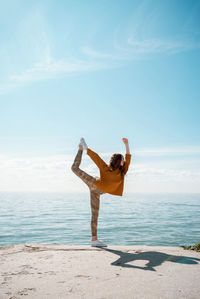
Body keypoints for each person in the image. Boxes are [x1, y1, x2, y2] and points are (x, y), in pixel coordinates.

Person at [71, 137, 131, 247]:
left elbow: (128, 157)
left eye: (123, 159)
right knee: (74, 168)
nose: (124, 161)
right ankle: (80, 148)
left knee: (95, 215)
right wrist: (86, 149)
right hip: (93, 183)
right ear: (117, 161)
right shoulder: (106, 168)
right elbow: (97, 158)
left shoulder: (123, 171)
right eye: (122, 159)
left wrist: (126, 144)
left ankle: (94, 240)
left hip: (97, 193)